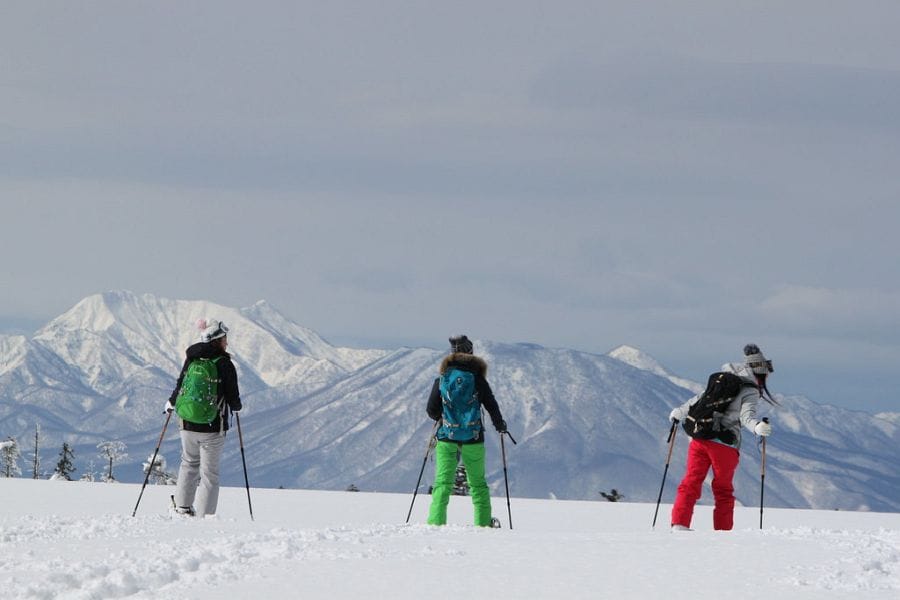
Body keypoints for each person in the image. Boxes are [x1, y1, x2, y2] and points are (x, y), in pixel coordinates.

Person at [667, 343, 776, 531]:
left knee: (690, 481)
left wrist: (680, 412)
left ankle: (679, 524)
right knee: (723, 490)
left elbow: (698, 400)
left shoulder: (722, 379)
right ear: (760, 371)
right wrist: (757, 427)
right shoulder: (749, 390)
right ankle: (723, 533)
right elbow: (746, 417)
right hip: (725, 445)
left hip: (700, 438)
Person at [426, 335, 507, 527]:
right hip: (473, 438)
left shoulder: (443, 379)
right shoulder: (478, 380)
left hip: (446, 437)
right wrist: (500, 425)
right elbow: (491, 405)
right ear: (471, 353)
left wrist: (442, 417)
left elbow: (431, 410)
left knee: (442, 483)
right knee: (478, 484)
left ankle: (436, 524)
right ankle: (483, 524)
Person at [165, 318, 242, 516]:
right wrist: (237, 407)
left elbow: (180, 383)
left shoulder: (192, 359)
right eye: (224, 338)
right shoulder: (224, 364)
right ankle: (205, 516)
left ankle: (182, 507)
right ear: (217, 340)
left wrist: (172, 403)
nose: (227, 342)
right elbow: (233, 397)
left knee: (189, 464)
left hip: (187, 424)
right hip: (212, 427)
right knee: (209, 474)